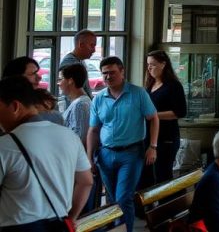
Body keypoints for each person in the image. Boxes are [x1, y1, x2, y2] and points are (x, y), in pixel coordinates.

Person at [0, 76, 93, 230]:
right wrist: (71, 218)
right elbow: (86, 181)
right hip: (60, 223)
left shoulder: (5, 145)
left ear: (15, 106)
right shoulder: (69, 136)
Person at [87, 56, 159, 232]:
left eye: (112, 72)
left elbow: (153, 118)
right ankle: (115, 228)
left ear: (122, 71)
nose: (108, 77)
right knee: (112, 199)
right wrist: (89, 158)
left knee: (123, 197)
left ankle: (123, 230)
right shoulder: (99, 99)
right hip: (105, 154)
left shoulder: (138, 93)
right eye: (104, 74)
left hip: (131, 153)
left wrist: (153, 146)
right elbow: (93, 130)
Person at [138, 50, 187, 189]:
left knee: (162, 175)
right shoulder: (149, 85)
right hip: (147, 136)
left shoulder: (173, 86)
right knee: (146, 176)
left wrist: (154, 115)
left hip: (167, 137)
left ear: (163, 64)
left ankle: (165, 207)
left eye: (153, 64)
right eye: (148, 65)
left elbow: (180, 112)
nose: (149, 68)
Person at [58, 63, 100, 212]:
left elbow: (81, 137)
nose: (58, 83)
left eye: (61, 79)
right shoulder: (77, 103)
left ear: (70, 80)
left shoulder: (81, 104)